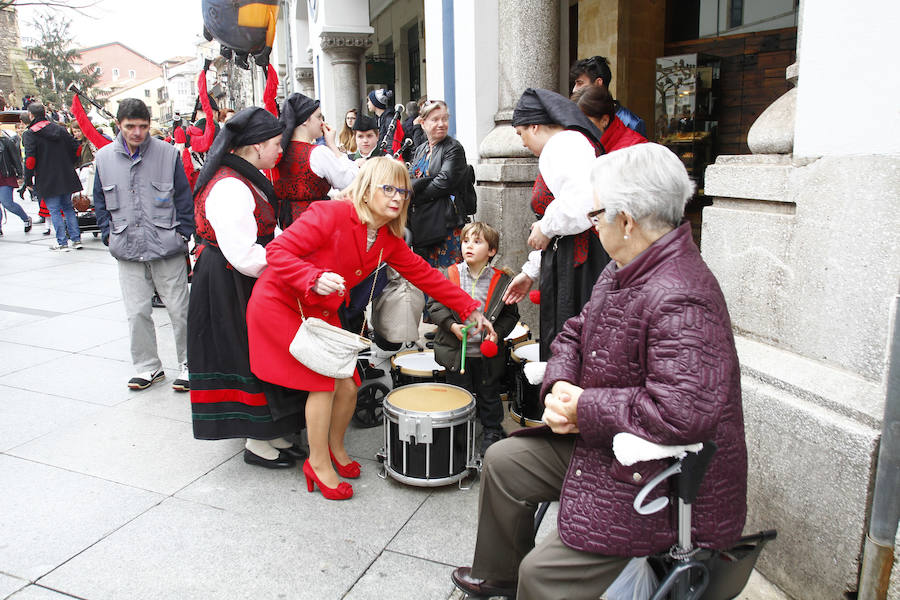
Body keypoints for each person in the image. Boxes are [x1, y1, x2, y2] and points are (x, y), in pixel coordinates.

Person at [452, 142, 748, 600]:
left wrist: (585, 407)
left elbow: (682, 414)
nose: (593, 224)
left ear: (625, 220)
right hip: (607, 441)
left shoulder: (682, 293)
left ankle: (525, 582)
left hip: (658, 474)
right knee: (505, 462)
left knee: (544, 575)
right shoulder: (625, 266)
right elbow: (574, 332)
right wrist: (563, 386)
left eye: (596, 216)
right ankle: (499, 574)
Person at [247, 157, 495, 501]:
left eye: (403, 192)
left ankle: (334, 448)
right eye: (388, 188)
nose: (397, 197)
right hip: (283, 303)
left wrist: (470, 308)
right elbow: (275, 252)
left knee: (348, 386)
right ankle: (317, 464)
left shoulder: (387, 239)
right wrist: (313, 278)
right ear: (366, 191)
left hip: (318, 310)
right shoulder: (329, 214)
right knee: (321, 384)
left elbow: (425, 275)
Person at [188, 106, 307, 467]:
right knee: (244, 354)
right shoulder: (229, 186)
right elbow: (243, 253)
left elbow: (265, 234)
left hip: (242, 275)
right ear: (255, 147)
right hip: (230, 279)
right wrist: (289, 266)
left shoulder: (245, 176)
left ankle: (271, 430)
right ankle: (257, 439)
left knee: (258, 353)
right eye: (275, 143)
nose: (280, 150)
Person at [93, 98, 194, 392]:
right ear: (119, 125)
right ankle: (148, 367)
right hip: (126, 245)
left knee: (179, 309)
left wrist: (183, 233)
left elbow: (183, 197)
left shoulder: (167, 153)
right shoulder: (103, 158)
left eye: (142, 126)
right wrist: (106, 234)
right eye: (130, 127)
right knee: (136, 311)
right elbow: (100, 201)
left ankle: (190, 364)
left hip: (167, 244)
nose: (137, 132)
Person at [501, 88, 607, 360]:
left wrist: (545, 227)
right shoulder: (568, 144)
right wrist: (531, 271)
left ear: (534, 126)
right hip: (570, 260)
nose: (522, 142)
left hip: (581, 265)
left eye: (520, 133)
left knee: (572, 344)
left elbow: (583, 202)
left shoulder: (563, 144)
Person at [427, 222, 519, 454]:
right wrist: (451, 325)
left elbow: (510, 315)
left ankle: (491, 429)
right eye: (466, 241)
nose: (469, 246)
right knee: (458, 394)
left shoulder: (503, 280)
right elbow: (435, 306)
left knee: (489, 394)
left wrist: (498, 333)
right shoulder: (449, 275)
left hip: (486, 354)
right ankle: (458, 432)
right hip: (457, 353)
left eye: (477, 242)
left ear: (491, 251)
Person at [273, 92, 358, 228]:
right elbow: (351, 182)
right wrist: (333, 146)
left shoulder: (277, 152)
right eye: (319, 117)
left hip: (286, 225)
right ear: (306, 120)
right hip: (316, 225)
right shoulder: (318, 153)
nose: (322, 122)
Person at [408, 100, 468, 268]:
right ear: (422, 122)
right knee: (427, 275)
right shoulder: (421, 150)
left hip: (446, 223)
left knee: (448, 277)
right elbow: (410, 178)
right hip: (424, 224)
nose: (441, 124)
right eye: (435, 119)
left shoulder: (453, 148)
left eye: (444, 119)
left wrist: (414, 195)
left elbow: (443, 182)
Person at [22, 102, 83, 251]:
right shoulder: (59, 129)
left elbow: (30, 160)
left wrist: (28, 180)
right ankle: (76, 239)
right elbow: (77, 147)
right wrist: (70, 163)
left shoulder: (30, 134)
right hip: (65, 173)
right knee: (68, 208)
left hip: (46, 176)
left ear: (31, 115)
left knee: (54, 210)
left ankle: (62, 242)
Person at [570, 55, 646, 137]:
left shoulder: (631, 122)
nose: (574, 89)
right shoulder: (575, 115)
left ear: (598, 83)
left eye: (580, 83)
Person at [573, 84, 648, 151]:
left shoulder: (634, 149)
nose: (579, 128)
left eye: (585, 122)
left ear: (604, 120)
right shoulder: (579, 144)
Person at [0, 127, 32, 235]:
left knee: (7, 202)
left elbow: (16, 158)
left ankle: (26, 219)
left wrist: (20, 174)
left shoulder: (6, 142)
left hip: (5, 175)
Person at [367, 88, 403, 153]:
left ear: (375, 102)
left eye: (369, 100)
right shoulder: (378, 119)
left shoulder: (389, 119)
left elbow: (391, 142)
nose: (367, 103)